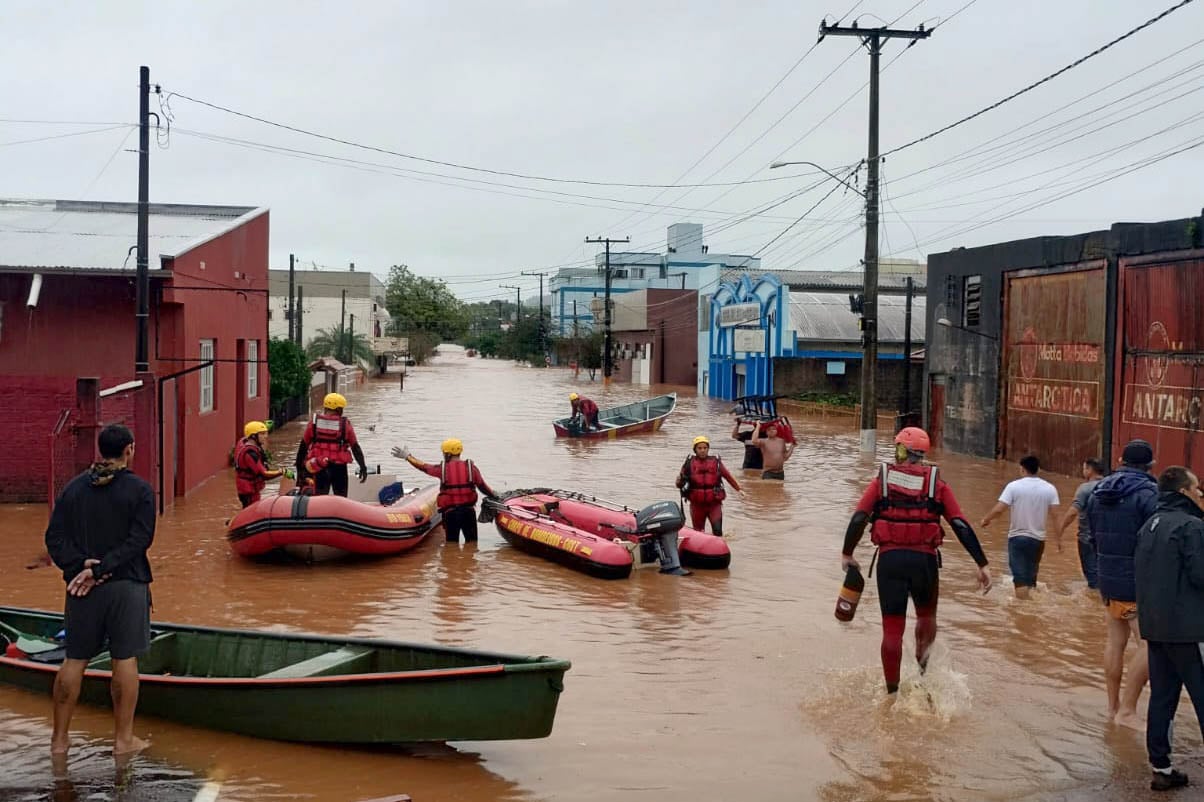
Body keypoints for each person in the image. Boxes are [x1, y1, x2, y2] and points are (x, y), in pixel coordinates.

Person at [841, 426, 992, 695]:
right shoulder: (937, 484)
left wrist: (847, 553)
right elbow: (960, 524)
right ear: (923, 453)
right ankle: (922, 676)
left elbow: (858, 518)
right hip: (925, 563)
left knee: (892, 630)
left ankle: (892, 692)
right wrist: (982, 563)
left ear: (900, 450)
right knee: (926, 618)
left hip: (891, 561)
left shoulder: (882, 482)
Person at [43, 424, 154, 756]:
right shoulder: (141, 491)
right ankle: (123, 741)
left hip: (82, 589)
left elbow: (54, 538)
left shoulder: (74, 489)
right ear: (129, 450)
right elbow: (140, 540)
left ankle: (59, 742)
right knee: (124, 659)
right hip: (127, 585)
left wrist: (81, 567)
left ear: (100, 450)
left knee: (74, 660)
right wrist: (103, 568)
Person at [1134, 466, 1204, 792]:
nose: (1201, 494)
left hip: (1155, 628)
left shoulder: (1149, 525)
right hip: (1190, 630)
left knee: (1162, 699)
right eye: (1198, 489)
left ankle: (1161, 768)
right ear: (1184, 492)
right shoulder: (1192, 526)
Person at [1087, 438, 1159, 730]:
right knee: (1151, 644)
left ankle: (1113, 706)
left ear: (1120, 459)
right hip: (1138, 583)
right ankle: (1128, 711)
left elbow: (1091, 535)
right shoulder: (1150, 494)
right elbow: (1156, 540)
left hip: (1107, 578)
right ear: (1150, 465)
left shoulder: (1097, 492)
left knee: (1115, 642)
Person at [980, 455, 1060, 598]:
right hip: (1038, 541)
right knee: (1031, 579)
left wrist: (986, 519)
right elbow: (1055, 516)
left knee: (1020, 580)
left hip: (1018, 539)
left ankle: (1022, 614)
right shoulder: (1050, 489)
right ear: (1038, 469)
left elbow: (999, 509)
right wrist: (1059, 540)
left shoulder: (1014, 486)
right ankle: (1031, 610)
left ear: (1022, 469)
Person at [392, 439, 496, 543]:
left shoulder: (442, 469)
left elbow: (423, 467)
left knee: (451, 544)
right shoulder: (471, 469)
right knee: (472, 544)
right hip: (468, 513)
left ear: (448, 454)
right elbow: (483, 487)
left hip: (451, 514)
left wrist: (408, 457)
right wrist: (494, 495)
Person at [295, 393, 368, 497]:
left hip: (319, 467)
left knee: (318, 498)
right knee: (341, 498)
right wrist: (363, 467)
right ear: (339, 410)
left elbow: (303, 448)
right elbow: (355, 447)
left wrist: (300, 472)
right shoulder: (345, 425)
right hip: (339, 468)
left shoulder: (314, 424)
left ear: (325, 407)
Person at [675, 436, 741, 536]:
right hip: (697, 504)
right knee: (699, 533)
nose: (702, 450)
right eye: (699, 448)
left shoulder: (716, 462)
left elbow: (728, 476)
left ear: (708, 449)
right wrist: (678, 482)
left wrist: (739, 489)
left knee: (718, 531)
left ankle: (718, 549)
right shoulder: (688, 463)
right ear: (695, 449)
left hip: (714, 504)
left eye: (705, 448)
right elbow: (679, 484)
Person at [1058, 458, 1107, 590]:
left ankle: (1095, 603)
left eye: (1084, 468)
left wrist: (1060, 530)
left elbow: (1073, 512)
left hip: (1087, 538)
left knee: (1092, 577)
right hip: (1107, 538)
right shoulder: (1112, 486)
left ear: (1090, 470)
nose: (1083, 471)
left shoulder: (1084, 489)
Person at [234, 421, 289, 508]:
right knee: (251, 512)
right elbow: (264, 474)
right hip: (248, 491)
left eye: (265, 433)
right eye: (262, 434)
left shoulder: (247, 442)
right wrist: (282, 472)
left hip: (251, 489)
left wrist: (264, 427)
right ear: (253, 436)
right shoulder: (250, 454)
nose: (265, 436)